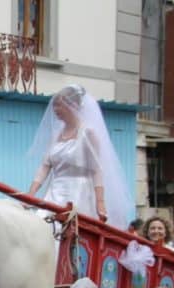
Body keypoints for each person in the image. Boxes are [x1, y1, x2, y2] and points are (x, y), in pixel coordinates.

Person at [27, 84, 132, 229]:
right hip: (55, 190)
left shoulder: (88, 134)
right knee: (43, 225)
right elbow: (45, 166)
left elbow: (96, 170)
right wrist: (31, 193)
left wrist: (100, 201)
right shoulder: (56, 135)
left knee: (71, 229)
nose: (55, 110)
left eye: (59, 105)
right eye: (55, 105)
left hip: (79, 190)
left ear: (73, 106)